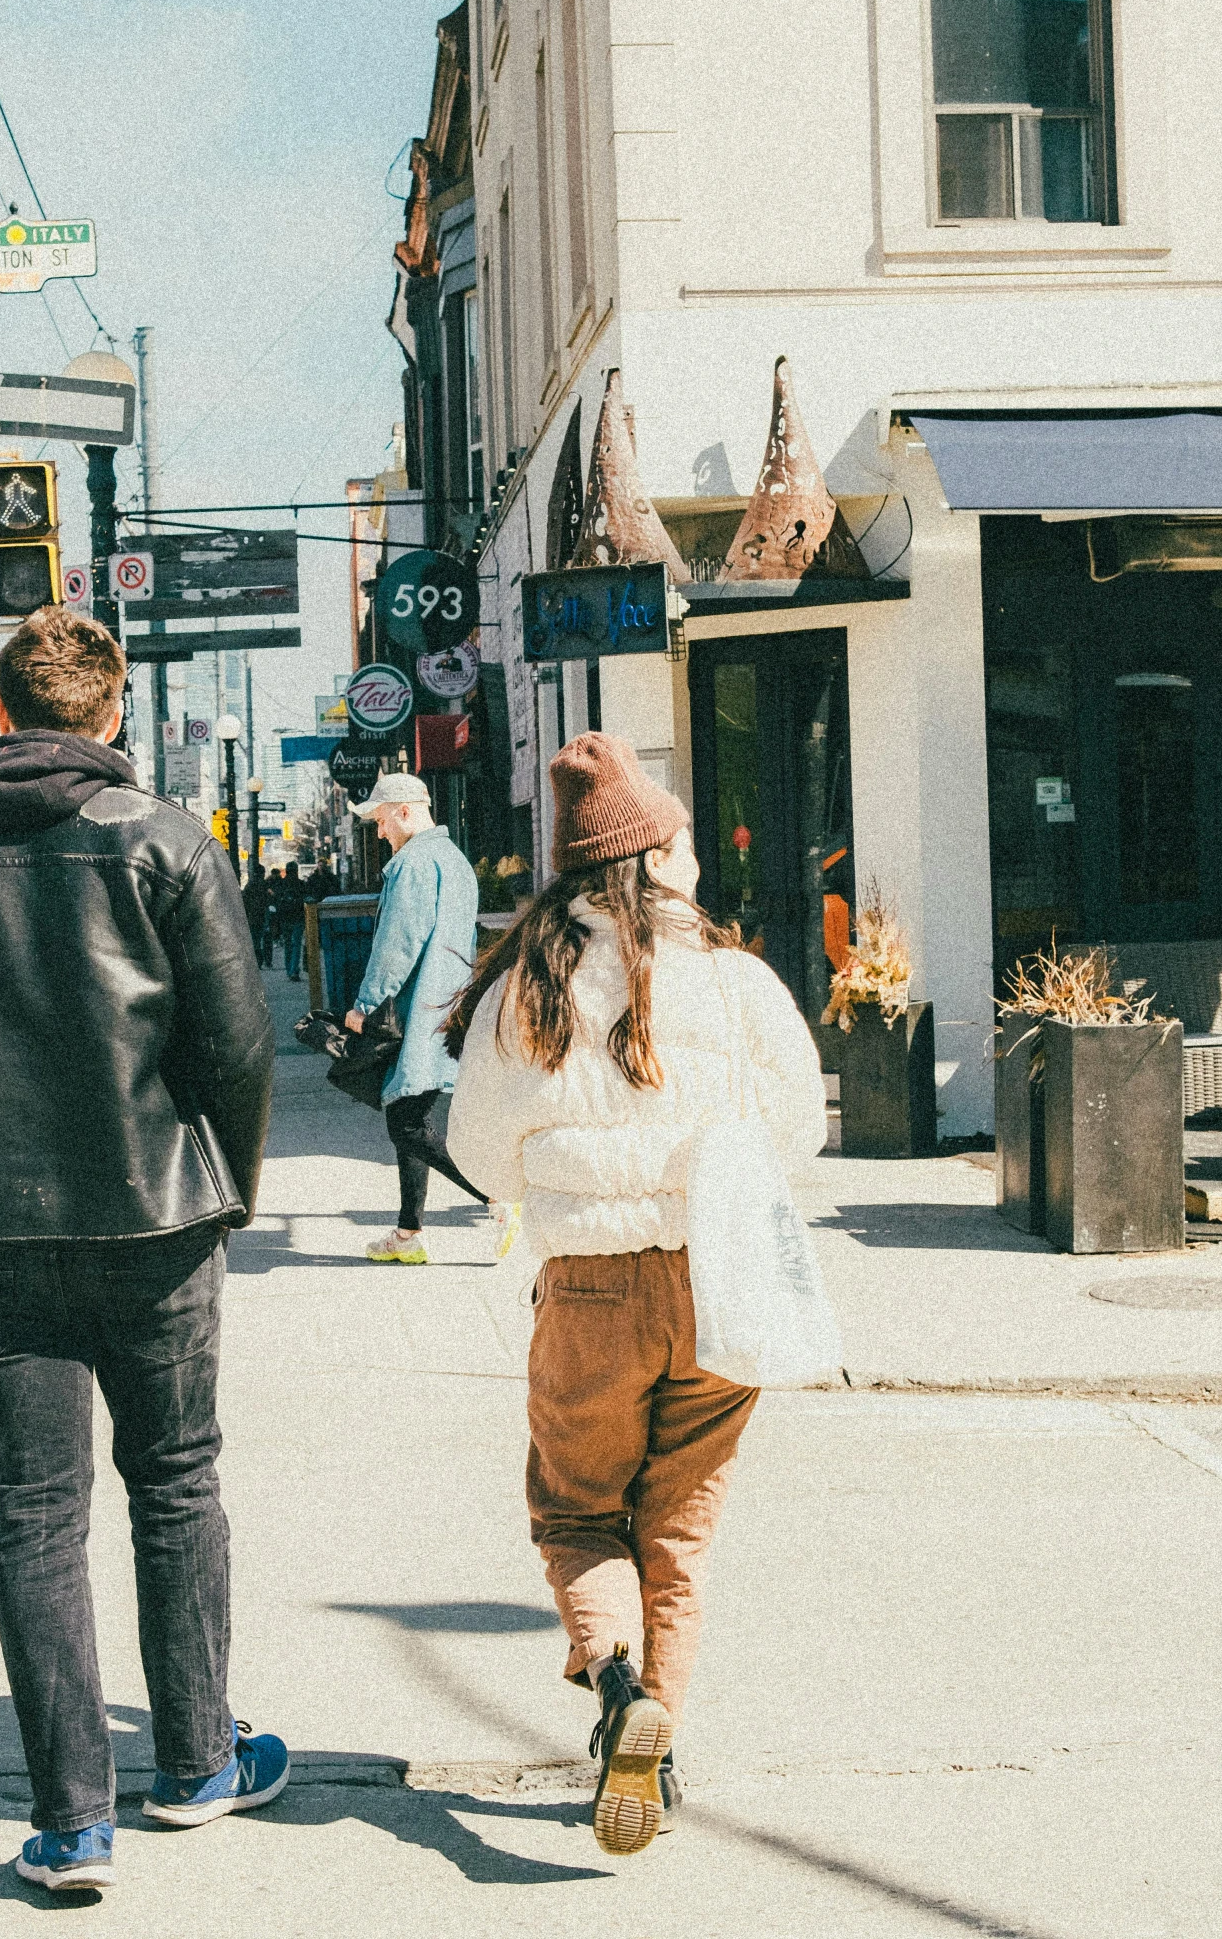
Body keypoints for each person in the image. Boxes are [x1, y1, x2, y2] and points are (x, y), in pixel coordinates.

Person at [0, 606, 287, 1895]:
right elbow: (238, 1040)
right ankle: (198, 1761)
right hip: (157, 1217)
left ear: (1, 709)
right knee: (176, 1481)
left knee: (36, 1508)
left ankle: (71, 1821)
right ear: (111, 712)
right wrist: (226, 1182)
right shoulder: (162, 841)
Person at [445, 733, 825, 1857]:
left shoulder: (529, 986)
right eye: (684, 839)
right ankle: (659, 1728)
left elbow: (479, 1151)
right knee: (681, 1527)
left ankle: (617, 1687)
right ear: (655, 858)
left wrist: (567, 1172)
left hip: (592, 1292)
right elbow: (798, 1128)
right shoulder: (738, 979)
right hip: (720, 1284)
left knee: (574, 1509)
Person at [343, 772, 502, 1264]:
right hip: (445, 1005)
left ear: (407, 811)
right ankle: (408, 1234)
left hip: (415, 1010)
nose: (379, 831)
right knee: (410, 1114)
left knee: (407, 1122)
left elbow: (397, 945)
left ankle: (498, 1198)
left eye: (382, 819)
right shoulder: (454, 862)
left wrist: (365, 1006)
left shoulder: (412, 864)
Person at [276, 860, 304, 981]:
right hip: (298, 918)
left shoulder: (281, 884)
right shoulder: (300, 884)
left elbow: (276, 902)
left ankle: (289, 970)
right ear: (296, 871)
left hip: (285, 919)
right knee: (296, 944)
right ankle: (294, 970)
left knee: (288, 945)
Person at [243, 864, 273, 969]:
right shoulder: (265, 885)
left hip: (253, 917)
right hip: (264, 915)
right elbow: (270, 900)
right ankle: (267, 960)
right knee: (267, 939)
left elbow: (244, 901)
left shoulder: (249, 885)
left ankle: (257, 961)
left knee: (255, 940)